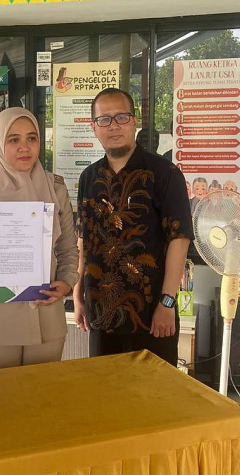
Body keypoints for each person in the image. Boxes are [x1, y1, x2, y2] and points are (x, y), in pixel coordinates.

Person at [73, 88, 193, 366]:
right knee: (105, 388)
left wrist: (167, 302)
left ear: (134, 121)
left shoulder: (165, 174)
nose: (113, 126)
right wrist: (77, 295)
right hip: (101, 314)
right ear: (94, 127)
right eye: (104, 119)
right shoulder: (88, 177)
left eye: (121, 117)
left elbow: (180, 240)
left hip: (152, 316)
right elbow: (83, 241)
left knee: (152, 390)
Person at [0, 108, 79, 371]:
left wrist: (67, 282)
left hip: (46, 315)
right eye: (13, 139)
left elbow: (68, 248)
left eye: (31, 138)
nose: (25, 147)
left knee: (42, 394)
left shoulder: (55, 187)